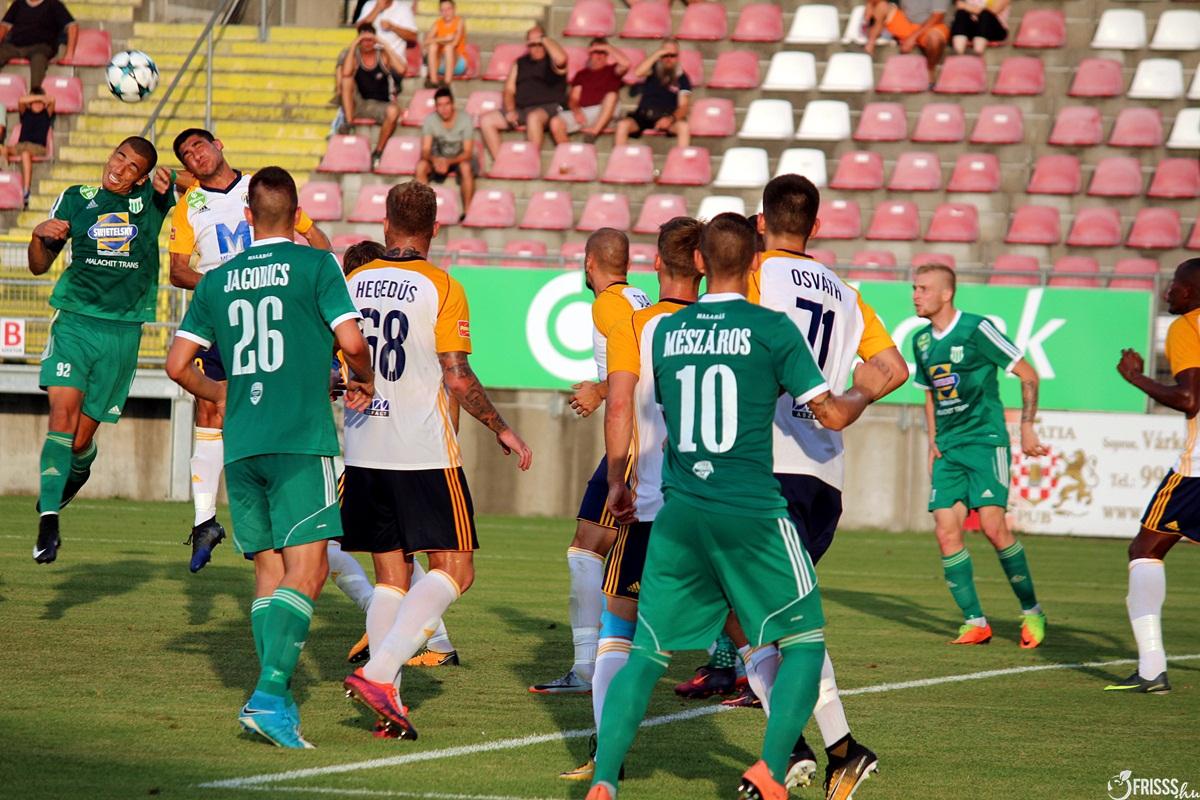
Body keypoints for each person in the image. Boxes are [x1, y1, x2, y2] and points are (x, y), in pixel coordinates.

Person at [585, 213, 887, 800]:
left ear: (701, 261)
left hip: (678, 512)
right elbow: (829, 413)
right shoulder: (771, 328)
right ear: (753, 264)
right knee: (804, 639)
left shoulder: (664, 333)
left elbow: (641, 404)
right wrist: (865, 389)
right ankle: (775, 765)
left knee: (645, 653)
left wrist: (618, 481)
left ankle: (604, 781)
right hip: (751, 507)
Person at [165, 167, 375, 749]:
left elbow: (177, 365)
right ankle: (268, 692)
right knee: (309, 570)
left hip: (242, 442)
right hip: (301, 439)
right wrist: (365, 377)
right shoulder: (317, 266)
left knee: (269, 571)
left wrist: (219, 392)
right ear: (297, 213)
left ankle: (275, 702)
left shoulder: (217, 279)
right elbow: (353, 343)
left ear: (247, 216)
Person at [735, 174, 910, 796]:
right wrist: (850, 398)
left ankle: (824, 748)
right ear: (816, 227)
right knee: (760, 611)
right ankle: (812, 749)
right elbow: (893, 367)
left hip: (765, 464)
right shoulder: (848, 293)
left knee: (765, 614)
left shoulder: (754, 274)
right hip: (823, 475)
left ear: (761, 222)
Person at [340, 181, 533, 739]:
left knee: (391, 578)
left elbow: (338, 359)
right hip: (422, 451)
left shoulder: (352, 281)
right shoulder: (442, 286)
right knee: (456, 569)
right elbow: (457, 375)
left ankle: (389, 703)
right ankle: (380, 673)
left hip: (363, 448)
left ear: (385, 224)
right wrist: (501, 427)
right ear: (435, 228)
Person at [560, 217, 702, 782]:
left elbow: (626, 388)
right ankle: (802, 744)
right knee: (747, 626)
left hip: (643, 469)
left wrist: (600, 391)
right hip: (710, 490)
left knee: (598, 576)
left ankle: (591, 692)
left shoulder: (619, 311)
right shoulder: (658, 305)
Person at [169, 128, 333, 572]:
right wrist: (225, 287)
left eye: (199, 145)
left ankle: (290, 510)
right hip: (225, 318)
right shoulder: (188, 206)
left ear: (218, 145)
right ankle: (205, 520)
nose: (194, 155)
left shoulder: (261, 189)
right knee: (210, 408)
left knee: (282, 406)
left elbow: (318, 240)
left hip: (274, 314)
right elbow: (177, 271)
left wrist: (314, 277)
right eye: (186, 154)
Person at [28, 137, 175, 564]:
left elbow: (199, 178)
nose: (120, 168)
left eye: (132, 167)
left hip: (123, 334)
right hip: (74, 322)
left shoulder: (152, 201)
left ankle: (78, 469)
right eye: (119, 157)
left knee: (78, 442)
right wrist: (39, 235)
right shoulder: (76, 199)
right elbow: (38, 265)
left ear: (142, 178)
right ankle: (48, 523)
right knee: (61, 417)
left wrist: (171, 180)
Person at [530, 228, 650, 696]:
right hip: (650, 441)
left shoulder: (608, 304)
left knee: (585, 550)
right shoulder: (639, 298)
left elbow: (638, 367)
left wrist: (600, 390)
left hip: (634, 444)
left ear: (589, 263)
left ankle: (586, 668)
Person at [910, 263, 1048, 647]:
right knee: (945, 529)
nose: (916, 295)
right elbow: (930, 393)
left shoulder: (977, 328)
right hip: (948, 449)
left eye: (923, 288)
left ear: (946, 294)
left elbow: (1028, 373)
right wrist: (933, 440)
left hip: (986, 441)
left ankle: (1032, 611)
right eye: (914, 288)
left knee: (992, 527)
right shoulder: (921, 341)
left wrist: (1027, 426)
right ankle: (976, 622)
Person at [1109, 259, 1200, 695]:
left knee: (1145, 549)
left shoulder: (1187, 327)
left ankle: (1151, 669)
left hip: (1197, 470)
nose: (1168, 291)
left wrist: (1135, 378)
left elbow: (1189, 399)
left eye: (1176, 284)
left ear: (1194, 290)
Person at [479, 24, 569, 163]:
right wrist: (510, 110)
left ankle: (530, 163)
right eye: (532, 44)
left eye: (539, 44)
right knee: (486, 120)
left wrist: (543, 39)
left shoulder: (553, 61)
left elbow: (562, 58)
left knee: (533, 118)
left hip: (549, 107)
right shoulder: (520, 63)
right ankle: (501, 163)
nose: (536, 47)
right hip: (522, 109)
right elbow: (509, 90)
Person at [339, 23, 406, 169]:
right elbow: (346, 73)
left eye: (370, 40)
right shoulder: (355, 57)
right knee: (346, 81)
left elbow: (401, 69)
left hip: (380, 105)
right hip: (361, 104)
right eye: (363, 40)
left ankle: (378, 151)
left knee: (394, 111)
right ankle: (348, 122)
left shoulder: (382, 55)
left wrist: (383, 43)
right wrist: (354, 45)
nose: (367, 43)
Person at [614, 38, 691, 150]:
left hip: (667, 117)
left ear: (678, 56)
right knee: (622, 125)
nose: (668, 59)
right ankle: (620, 159)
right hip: (644, 115)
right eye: (665, 55)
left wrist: (670, 119)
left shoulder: (682, 78)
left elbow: (684, 106)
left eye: (672, 55)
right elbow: (638, 72)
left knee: (684, 127)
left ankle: (681, 160)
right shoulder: (653, 68)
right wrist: (658, 54)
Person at [558, 38, 629, 145]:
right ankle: (568, 152)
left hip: (607, 114)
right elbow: (574, 98)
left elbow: (626, 64)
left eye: (603, 52)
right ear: (590, 54)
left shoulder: (613, 70)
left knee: (612, 95)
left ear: (607, 54)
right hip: (586, 113)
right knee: (555, 122)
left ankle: (593, 133)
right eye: (596, 52)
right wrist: (576, 111)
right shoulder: (581, 74)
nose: (599, 55)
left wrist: (607, 47)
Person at [416, 87, 475, 213]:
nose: (444, 109)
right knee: (421, 166)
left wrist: (448, 162)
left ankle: (467, 212)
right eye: (440, 105)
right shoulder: (430, 120)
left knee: (466, 167)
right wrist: (435, 160)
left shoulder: (465, 119)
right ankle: (423, 212)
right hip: (437, 159)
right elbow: (425, 151)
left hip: (458, 160)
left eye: (447, 104)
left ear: (453, 104)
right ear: (436, 107)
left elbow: (468, 153)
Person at [865, 0, 950, 82]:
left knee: (935, 39)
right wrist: (870, 4)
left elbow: (938, 17)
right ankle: (869, 46)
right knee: (881, 6)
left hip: (931, 27)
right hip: (906, 23)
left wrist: (913, 37)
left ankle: (930, 71)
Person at [0, 0, 76, 91]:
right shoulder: (18, 4)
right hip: (15, 46)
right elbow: (4, 26)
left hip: (41, 47)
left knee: (38, 60)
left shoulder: (54, 4)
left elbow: (72, 26)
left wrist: (69, 54)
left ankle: (35, 94)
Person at [5, 85, 53, 207]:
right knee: (3, 149)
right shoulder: (25, 113)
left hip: (37, 147)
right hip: (20, 146)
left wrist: (40, 98)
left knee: (25, 154)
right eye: (34, 101)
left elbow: (52, 100)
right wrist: (37, 98)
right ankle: (5, 179)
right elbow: (21, 100)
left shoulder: (46, 114)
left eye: (40, 102)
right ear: (30, 103)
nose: (37, 104)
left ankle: (26, 190)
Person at [356, 0, 418, 67]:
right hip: (369, 62)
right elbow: (359, 29)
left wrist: (393, 27)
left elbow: (413, 37)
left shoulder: (403, 8)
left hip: (393, 63)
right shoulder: (369, 5)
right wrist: (377, 9)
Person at [423, 0, 467, 88]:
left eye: (448, 9)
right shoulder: (438, 23)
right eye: (443, 10)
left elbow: (454, 43)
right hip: (441, 63)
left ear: (454, 9)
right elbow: (426, 41)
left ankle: (447, 82)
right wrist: (443, 38)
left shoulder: (459, 21)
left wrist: (437, 41)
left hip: (457, 64)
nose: (446, 12)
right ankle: (433, 81)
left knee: (448, 47)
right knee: (432, 46)